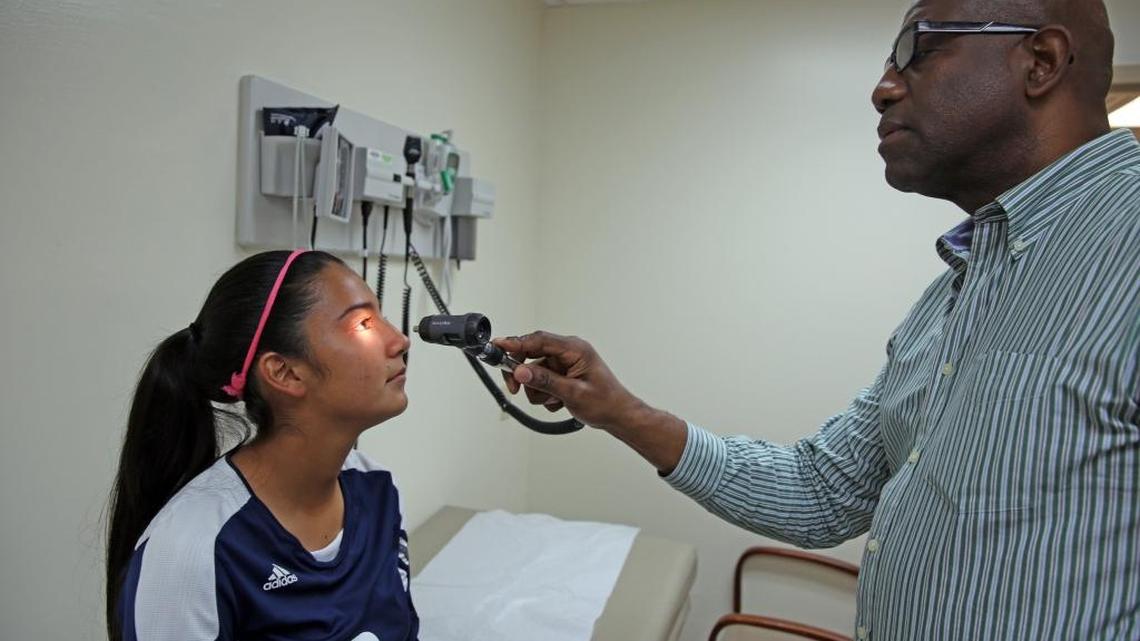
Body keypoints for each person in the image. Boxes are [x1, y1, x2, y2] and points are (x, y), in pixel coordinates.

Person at [494, 0, 1139, 639]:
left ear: (1041, 61)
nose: (882, 88)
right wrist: (619, 411)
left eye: (916, 49)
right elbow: (823, 490)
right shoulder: (954, 294)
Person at [105, 249, 417, 641]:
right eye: (364, 322)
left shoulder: (377, 490)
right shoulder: (192, 551)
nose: (399, 339)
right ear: (284, 372)